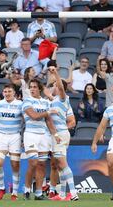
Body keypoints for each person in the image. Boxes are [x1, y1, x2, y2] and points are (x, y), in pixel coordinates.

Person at [22, 79, 59, 200]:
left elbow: (48, 120)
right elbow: (34, 116)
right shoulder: (27, 101)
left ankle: (38, 193)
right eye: (30, 87)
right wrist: (48, 112)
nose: (32, 89)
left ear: (39, 89)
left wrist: (55, 135)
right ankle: (27, 189)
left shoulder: (45, 102)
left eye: (34, 87)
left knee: (42, 165)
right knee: (33, 163)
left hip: (44, 136)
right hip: (30, 135)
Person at [46, 66, 79, 201]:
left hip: (60, 134)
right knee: (59, 165)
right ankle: (63, 194)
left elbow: (60, 87)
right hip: (56, 135)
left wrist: (56, 74)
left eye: (54, 85)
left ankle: (74, 193)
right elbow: (46, 91)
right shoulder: (52, 101)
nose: (53, 87)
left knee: (62, 163)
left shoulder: (63, 98)